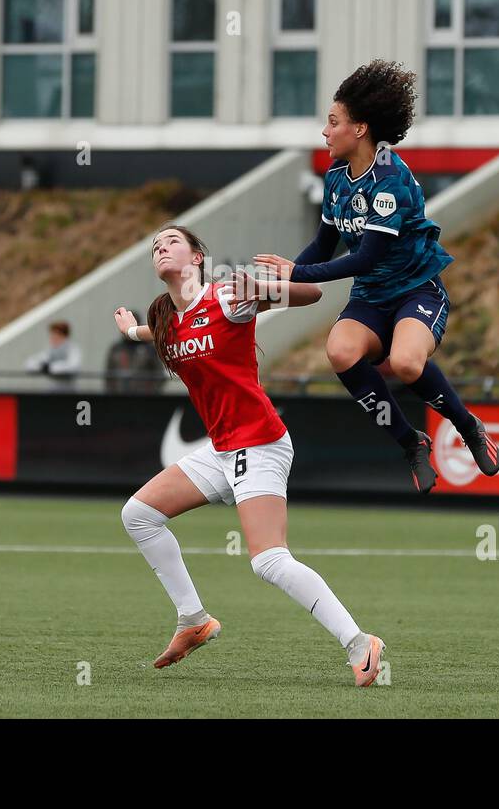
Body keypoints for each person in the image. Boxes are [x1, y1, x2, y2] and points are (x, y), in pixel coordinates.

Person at [112, 224, 387, 687]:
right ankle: (193, 619)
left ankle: (360, 642)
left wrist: (262, 288)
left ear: (198, 257)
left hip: (258, 442)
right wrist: (131, 331)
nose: (161, 247)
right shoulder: (166, 320)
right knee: (138, 514)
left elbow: (312, 295)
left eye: (172, 241)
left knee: (268, 561)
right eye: (155, 245)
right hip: (221, 449)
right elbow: (157, 333)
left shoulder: (226, 297)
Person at [253, 60, 499, 493]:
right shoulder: (335, 179)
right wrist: (282, 280)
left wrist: (300, 272)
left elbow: (365, 258)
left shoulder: (390, 181)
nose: (325, 132)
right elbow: (322, 248)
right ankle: (411, 443)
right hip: (371, 298)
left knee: (405, 362)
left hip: (416, 291)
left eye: (333, 122)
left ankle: (469, 427)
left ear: (360, 128)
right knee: (340, 351)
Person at [104, 312, 164, 394]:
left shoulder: (149, 349)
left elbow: (159, 374)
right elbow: (109, 375)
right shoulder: (116, 349)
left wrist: (151, 392)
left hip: (144, 399)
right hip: (119, 397)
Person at [23, 321, 82, 389]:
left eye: (56, 335)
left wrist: (50, 368)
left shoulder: (73, 349)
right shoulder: (50, 351)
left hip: (69, 393)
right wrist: (43, 368)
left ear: (64, 336)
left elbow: (73, 367)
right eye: (52, 335)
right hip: (51, 393)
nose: (52, 338)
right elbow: (29, 364)